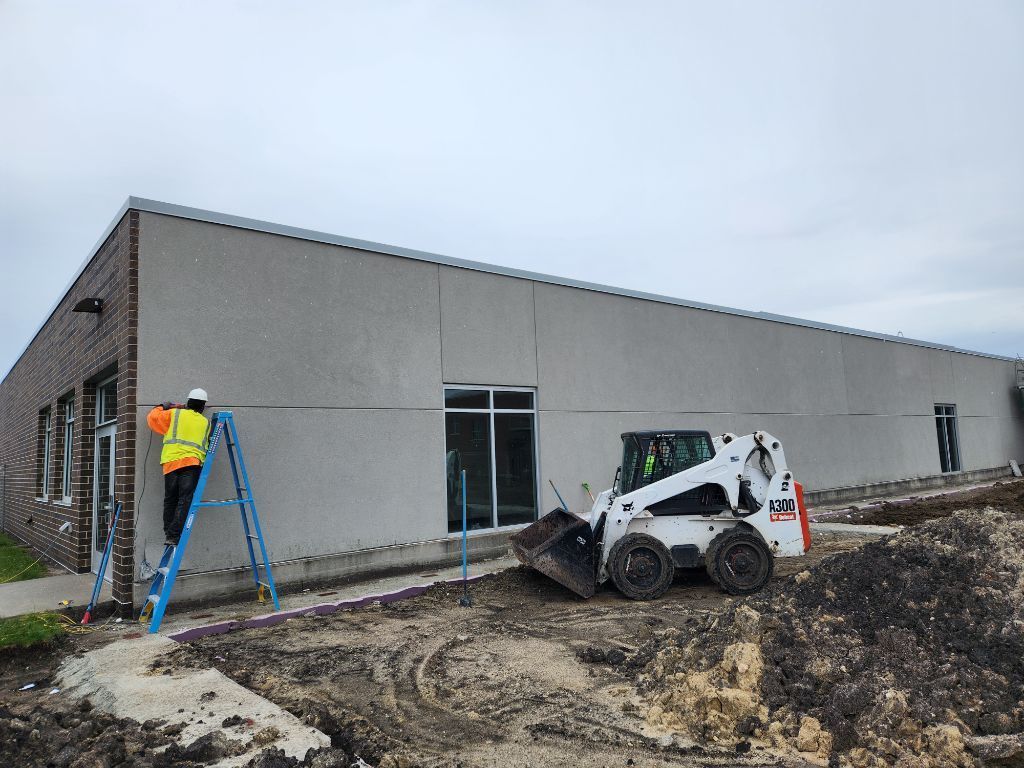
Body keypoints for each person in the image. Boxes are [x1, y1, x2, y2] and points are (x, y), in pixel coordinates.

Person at [146, 388, 211, 547]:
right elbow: (206, 446)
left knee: (170, 499)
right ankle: (173, 536)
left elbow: (152, 418)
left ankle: (169, 532)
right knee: (185, 500)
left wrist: (165, 405)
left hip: (171, 463)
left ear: (188, 402)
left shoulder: (175, 414)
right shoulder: (205, 423)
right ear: (202, 407)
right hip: (192, 464)